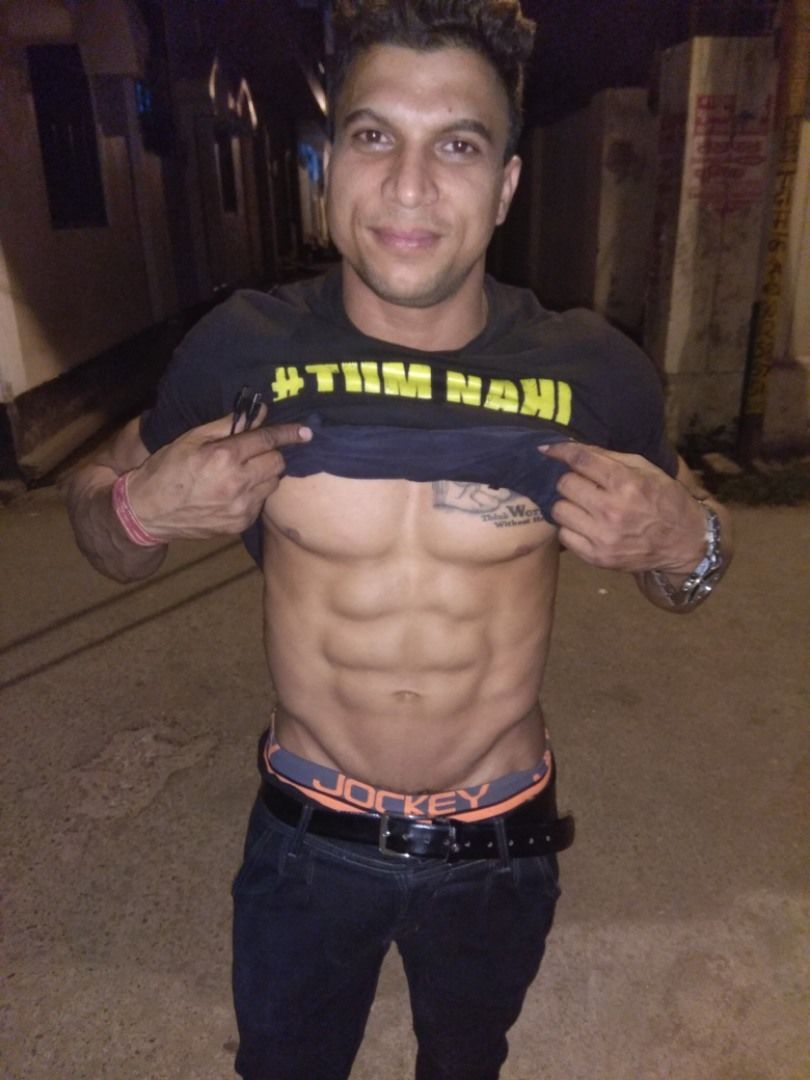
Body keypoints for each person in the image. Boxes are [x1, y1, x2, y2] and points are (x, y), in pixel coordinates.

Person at [65, 2, 733, 1077]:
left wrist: (683, 537)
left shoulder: (593, 368)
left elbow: (691, 565)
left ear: (505, 186)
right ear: (331, 164)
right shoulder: (241, 348)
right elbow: (100, 520)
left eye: (457, 146)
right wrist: (142, 507)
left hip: (500, 842)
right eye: (375, 136)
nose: (410, 186)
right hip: (306, 839)